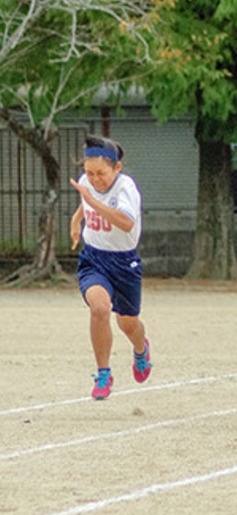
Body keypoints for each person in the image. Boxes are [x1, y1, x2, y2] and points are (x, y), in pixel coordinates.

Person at [68, 135, 152, 400]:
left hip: (124, 261)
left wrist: (93, 203)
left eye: (101, 173)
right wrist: (76, 219)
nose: (94, 179)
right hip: (94, 258)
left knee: (128, 323)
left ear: (117, 168)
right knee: (100, 307)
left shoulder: (126, 188)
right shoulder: (86, 182)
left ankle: (141, 349)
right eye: (89, 173)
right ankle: (103, 373)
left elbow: (126, 223)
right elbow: (85, 201)